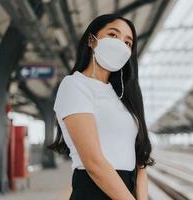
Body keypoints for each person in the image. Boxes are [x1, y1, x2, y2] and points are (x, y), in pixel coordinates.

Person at [48, 13, 155, 200]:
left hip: (128, 192)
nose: (120, 44)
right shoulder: (74, 85)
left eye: (128, 43)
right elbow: (93, 162)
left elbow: (140, 161)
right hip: (93, 190)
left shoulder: (125, 96)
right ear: (91, 40)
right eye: (113, 35)